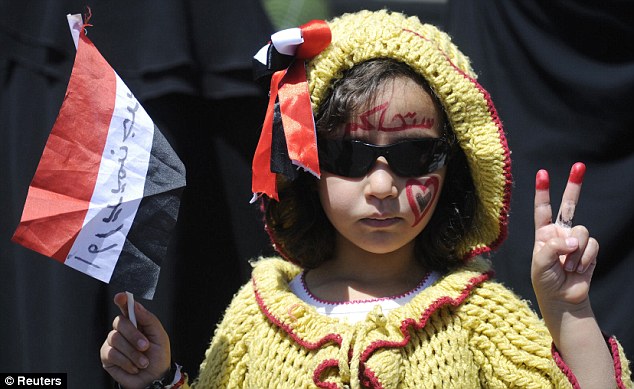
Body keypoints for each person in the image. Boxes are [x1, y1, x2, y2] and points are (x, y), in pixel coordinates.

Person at [100, 10, 632, 388]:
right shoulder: (255, 315)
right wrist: (158, 379)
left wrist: (569, 311)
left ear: (457, 169)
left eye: (415, 157)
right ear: (304, 164)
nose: (382, 188)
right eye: (349, 158)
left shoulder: (481, 318)